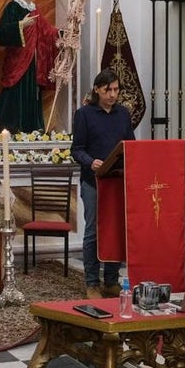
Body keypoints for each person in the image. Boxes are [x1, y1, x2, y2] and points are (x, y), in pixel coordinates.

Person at [71, 68, 134, 298]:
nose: (112, 94)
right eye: (108, 90)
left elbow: (130, 146)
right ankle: (91, 283)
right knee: (93, 232)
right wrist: (91, 162)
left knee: (116, 230)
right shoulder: (84, 114)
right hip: (94, 182)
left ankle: (111, 280)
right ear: (97, 89)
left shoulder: (123, 115)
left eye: (116, 89)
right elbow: (76, 150)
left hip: (118, 182)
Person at [0, 0, 59, 133]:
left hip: (33, 60)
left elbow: (46, 30)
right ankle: (10, 127)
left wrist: (63, 33)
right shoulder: (13, 7)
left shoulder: (35, 8)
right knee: (15, 91)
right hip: (18, 59)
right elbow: (2, 32)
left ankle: (30, 128)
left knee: (31, 92)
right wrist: (21, 24)